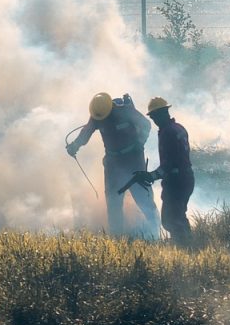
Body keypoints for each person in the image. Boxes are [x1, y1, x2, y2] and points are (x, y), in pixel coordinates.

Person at [67, 92, 160, 237]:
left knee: (143, 198)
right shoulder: (98, 115)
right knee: (113, 201)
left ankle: (157, 234)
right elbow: (86, 133)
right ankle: (117, 237)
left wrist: (140, 142)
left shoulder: (125, 111)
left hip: (134, 160)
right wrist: (75, 146)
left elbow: (146, 124)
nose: (103, 120)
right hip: (112, 163)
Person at [138, 97, 194, 246]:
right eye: (153, 117)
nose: (154, 120)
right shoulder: (179, 128)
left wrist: (152, 176)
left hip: (176, 181)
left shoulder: (167, 133)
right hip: (186, 177)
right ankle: (187, 243)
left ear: (163, 113)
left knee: (171, 219)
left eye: (155, 116)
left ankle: (184, 246)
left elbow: (169, 163)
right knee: (178, 215)